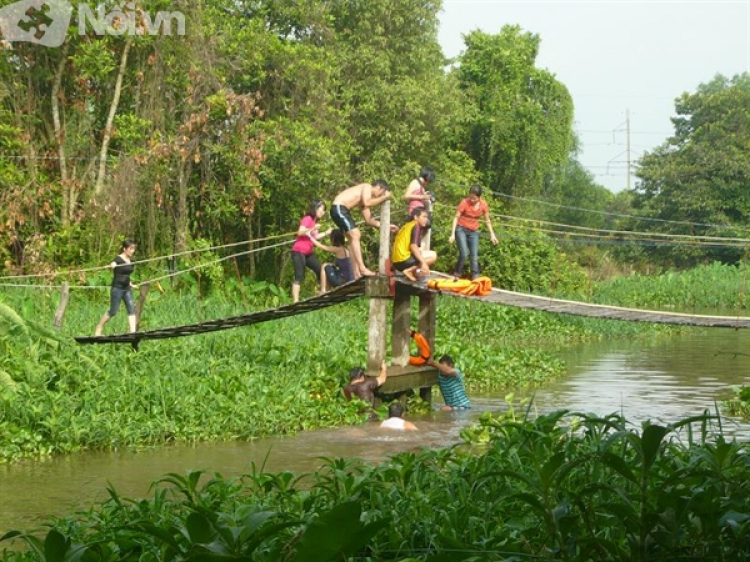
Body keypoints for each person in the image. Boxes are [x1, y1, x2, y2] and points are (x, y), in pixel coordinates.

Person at [330, 180, 395, 278]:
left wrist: (387, 226)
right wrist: (385, 197)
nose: (378, 196)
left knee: (352, 239)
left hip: (342, 210)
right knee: (356, 235)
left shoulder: (363, 199)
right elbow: (367, 202)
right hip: (339, 208)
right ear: (378, 187)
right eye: (381, 193)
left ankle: (356, 273)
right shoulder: (367, 187)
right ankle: (362, 268)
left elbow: (369, 220)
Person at [448, 184, 499, 280]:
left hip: (474, 231)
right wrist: (452, 235)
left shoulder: (483, 205)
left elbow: (487, 220)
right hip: (461, 229)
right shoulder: (464, 202)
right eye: (470, 197)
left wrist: (492, 235)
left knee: (474, 255)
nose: (472, 200)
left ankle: (475, 277)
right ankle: (457, 274)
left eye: (474, 198)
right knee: (464, 253)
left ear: (479, 197)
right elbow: (456, 218)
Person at [94, 239, 139, 336]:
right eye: (131, 249)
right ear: (124, 249)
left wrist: (131, 284)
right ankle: (99, 326)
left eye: (133, 249)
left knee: (131, 309)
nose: (132, 251)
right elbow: (114, 264)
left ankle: (133, 333)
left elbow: (125, 275)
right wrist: (112, 265)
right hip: (117, 288)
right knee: (113, 311)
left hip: (127, 288)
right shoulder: (118, 259)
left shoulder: (132, 260)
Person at [291, 200, 332, 303]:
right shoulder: (307, 219)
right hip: (299, 251)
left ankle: (322, 293)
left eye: (324, 210)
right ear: (315, 208)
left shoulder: (314, 221)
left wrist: (326, 233)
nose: (323, 212)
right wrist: (313, 227)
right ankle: (295, 302)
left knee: (320, 270)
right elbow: (300, 232)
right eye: (321, 209)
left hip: (308, 253)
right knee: (299, 276)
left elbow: (315, 237)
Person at [392, 207, 437, 281]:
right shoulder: (416, 225)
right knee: (433, 255)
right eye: (424, 217)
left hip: (396, 263)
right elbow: (413, 246)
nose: (426, 219)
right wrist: (424, 263)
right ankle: (409, 270)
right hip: (404, 260)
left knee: (420, 255)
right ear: (416, 217)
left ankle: (412, 271)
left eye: (427, 217)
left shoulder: (407, 225)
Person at [311, 229, 354, 293]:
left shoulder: (337, 249)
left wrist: (310, 237)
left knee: (324, 266)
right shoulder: (346, 250)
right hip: (349, 278)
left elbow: (322, 246)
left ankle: (323, 290)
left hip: (341, 280)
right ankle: (326, 290)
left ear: (334, 239)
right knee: (329, 266)